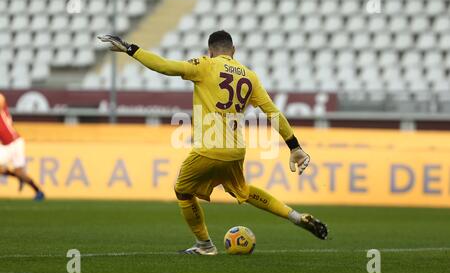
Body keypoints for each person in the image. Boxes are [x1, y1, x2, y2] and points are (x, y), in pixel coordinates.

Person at [98, 31, 328, 255]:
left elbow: (166, 66)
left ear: (210, 51)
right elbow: (273, 113)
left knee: (182, 191)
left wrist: (131, 49)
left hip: (208, 149)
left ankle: (204, 245)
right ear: (233, 51)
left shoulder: (205, 65)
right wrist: (294, 146)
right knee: (243, 191)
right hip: (236, 151)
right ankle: (296, 217)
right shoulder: (249, 75)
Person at [0, 93, 45, 201]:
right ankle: (19, 178)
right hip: (5, 145)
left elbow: (1, 100)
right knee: (3, 170)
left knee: (19, 171)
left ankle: (38, 191)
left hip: (15, 142)